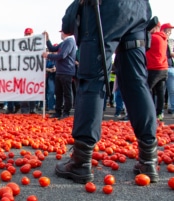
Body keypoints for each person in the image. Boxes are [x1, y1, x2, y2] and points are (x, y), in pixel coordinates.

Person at [55, 0, 159, 184]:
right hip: (137, 7)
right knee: (136, 81)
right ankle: (148, 159)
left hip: (104, 8)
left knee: (92, 79)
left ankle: (81, 160)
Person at [42, 30, 77, 119]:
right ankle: (58, 112)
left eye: (62, 32)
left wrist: (48, 56)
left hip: (66, 71)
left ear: (67, 32)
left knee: (67, 93)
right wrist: (47, 39)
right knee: (58, 93)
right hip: (60, 71)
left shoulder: (69, 42)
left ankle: (66, 112)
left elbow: (62, 55)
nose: (61, 34)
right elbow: (52, 49)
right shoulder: (64, 43)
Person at [146, 21, 168, 121]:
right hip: (163, 68)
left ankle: (148, 112)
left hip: (154, 68)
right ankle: (159, 113)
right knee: (160, 92)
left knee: (146, 90)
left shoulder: (153, 38)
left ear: (155, 27)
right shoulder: (163, 38)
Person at [21, 28, 37, 114]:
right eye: (26, 34)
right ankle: (25, 109)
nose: (28, 36)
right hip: (23, 73)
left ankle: (32, 108)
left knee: (33, 89)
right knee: (23, 90)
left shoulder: (37, 45)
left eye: (29, 34)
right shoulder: (20, 45)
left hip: (33, 72)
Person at [161, 23, 174, 117]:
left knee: (172, 90)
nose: (170, 32)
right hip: (162, 67)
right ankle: (159, 109)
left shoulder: (171, 41)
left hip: (171, 67)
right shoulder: (159, 39)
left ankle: (172, 108)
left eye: (170, 30)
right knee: (160, 90)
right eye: (168, 30)